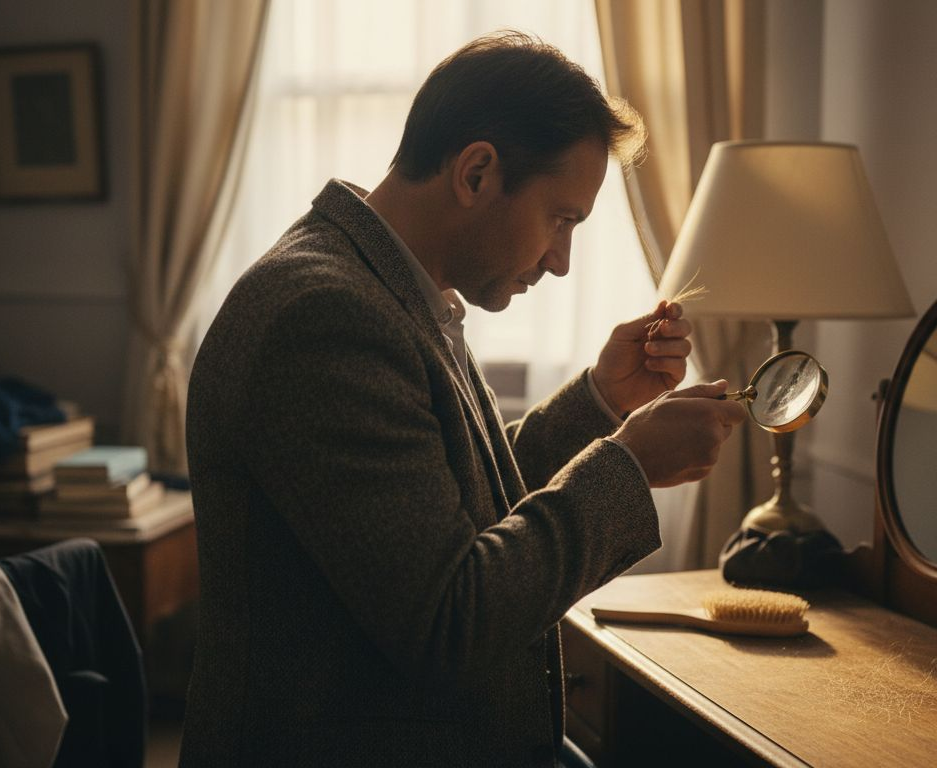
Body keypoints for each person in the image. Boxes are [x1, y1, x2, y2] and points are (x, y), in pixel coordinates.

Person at [179, 31, 747, 767]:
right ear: (477, 173)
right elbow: (453, 622)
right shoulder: (324, 316)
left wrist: (601, 403)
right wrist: (628, 465)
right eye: (561, 219)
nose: (561, 261)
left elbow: (443, 506)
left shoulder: (387, 287)